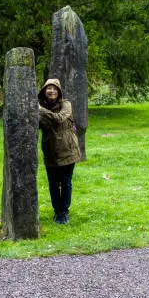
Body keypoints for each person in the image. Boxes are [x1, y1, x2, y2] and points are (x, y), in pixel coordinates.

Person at [38, 78, 81, 224]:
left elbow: (59, 119)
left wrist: (40, 110)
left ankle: (64, 212)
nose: (51, 91)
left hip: (67, 149)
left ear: (59, 91)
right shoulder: (38, 107)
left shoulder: (66, 104)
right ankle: (57, 212)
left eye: (54, 88)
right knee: (53, 183)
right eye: (48, 88)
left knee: (66, 182)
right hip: (50, 150)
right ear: (44, 91)